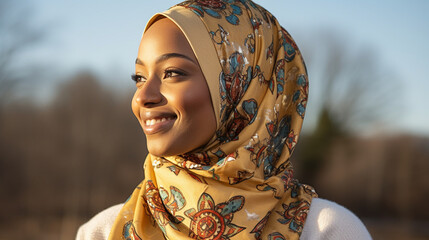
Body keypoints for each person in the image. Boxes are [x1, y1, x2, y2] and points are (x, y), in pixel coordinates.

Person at [76, 1, 372, 239]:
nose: (142, 97)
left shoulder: (327, 231)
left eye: (172, 73)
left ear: (243, 89)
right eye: (139, 77)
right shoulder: (102, 232)